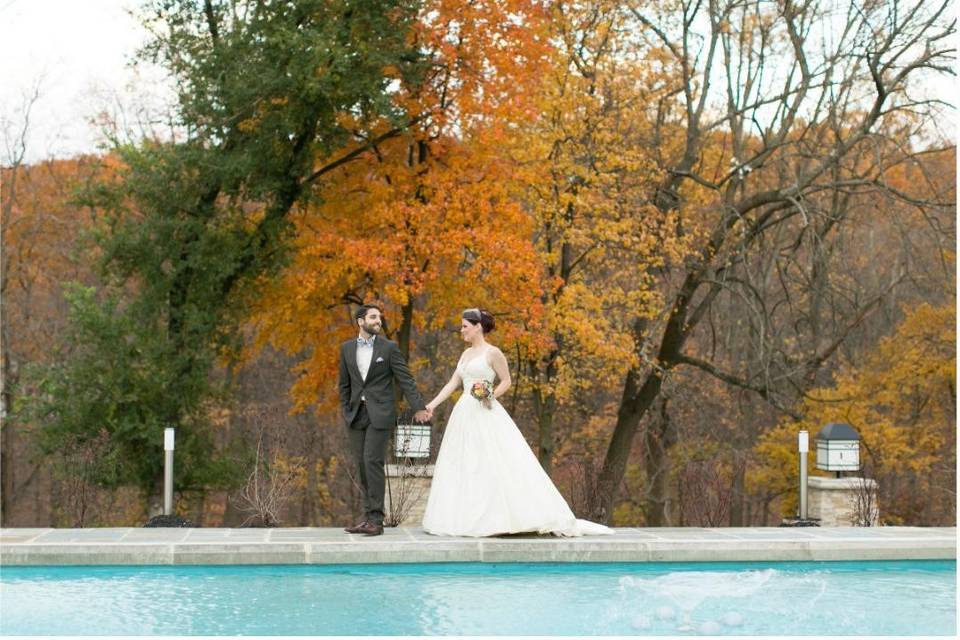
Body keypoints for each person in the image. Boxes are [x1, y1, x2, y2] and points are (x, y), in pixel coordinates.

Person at [421, 308, 613, 537]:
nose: (461, 330)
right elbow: (453, 383)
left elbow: (507, 381)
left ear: (477, 327)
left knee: (492, 462)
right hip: (464, 412)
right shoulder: (464, 355)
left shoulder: (493, 353)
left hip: (484, 411)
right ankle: (465, 517)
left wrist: (490, 394)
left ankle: (505, 517)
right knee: (466, 463)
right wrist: (432, 405)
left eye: (465, 326)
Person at [339, 304, 431, 536]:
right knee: (362, 464)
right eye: (373, 317)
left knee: (372, 461)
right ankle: (368, 516)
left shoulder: (389, 348)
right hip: (355, 414)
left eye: (379, 317)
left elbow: (406, 379)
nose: (378, 320)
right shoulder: (347, 348)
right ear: (361, 321)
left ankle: (377, 521)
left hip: (380, 414)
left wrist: (418, 407)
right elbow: (344, 384)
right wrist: (346, 408)